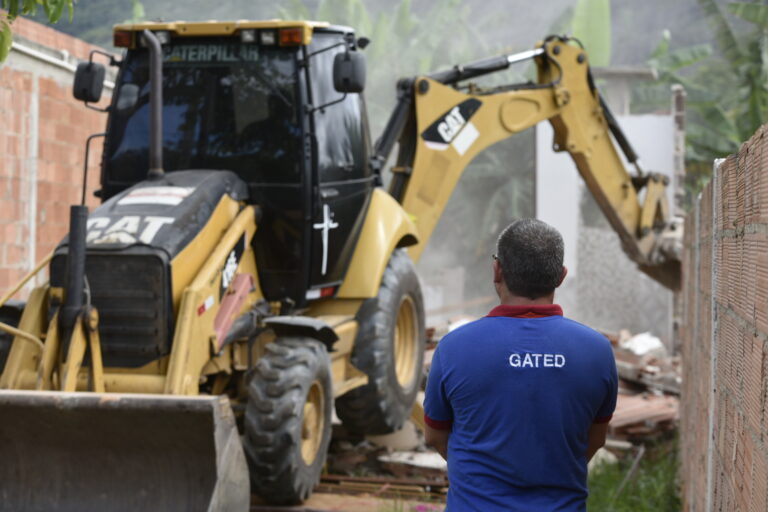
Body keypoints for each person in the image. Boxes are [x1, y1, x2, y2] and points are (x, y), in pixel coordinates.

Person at [424, 218, 618, 511]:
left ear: (497, 270)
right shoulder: (597, 351)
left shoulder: (454, 348)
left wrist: (484, 478)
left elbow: (435, 435)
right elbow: (595, 440)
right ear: (561, 276)